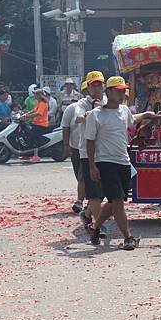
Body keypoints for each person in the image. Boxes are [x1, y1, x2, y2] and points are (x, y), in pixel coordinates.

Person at [85, 76, 158, 250]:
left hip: (123, 162)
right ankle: (128, 237)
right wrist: (92, 165)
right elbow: (90, 141)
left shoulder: (124, 111)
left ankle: (95, 228)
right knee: (117, 201)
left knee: (113, 201)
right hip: (105, 162)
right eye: (118, 91)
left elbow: (132, 119)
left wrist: (147, 115)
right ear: (108, 92)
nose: (122, 94)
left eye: (123, 91)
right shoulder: (96, 115)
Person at [62, 71, 104, 218]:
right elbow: (71, 123)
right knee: (82, 177)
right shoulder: (77, 106)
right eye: (94, 86)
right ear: (87, 89)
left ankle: (88, 211)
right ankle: (83, 204)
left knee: (104, 187)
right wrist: (66, 145)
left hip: (106, 151)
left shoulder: (108, 102)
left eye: (100, 85)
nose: (97, 89)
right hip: (82, 149)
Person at [21, 89, 49, 163]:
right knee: (27, 134)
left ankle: (36, 156)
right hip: (36, 123)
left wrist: (28, 116)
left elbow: (39, 113)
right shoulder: (39, 103)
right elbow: (34, 110)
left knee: (33, 138)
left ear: (39, 95)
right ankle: (27, 154)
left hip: (41, 125)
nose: (34, 96)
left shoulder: (43, 103)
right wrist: (25, 114)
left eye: (36, 94)